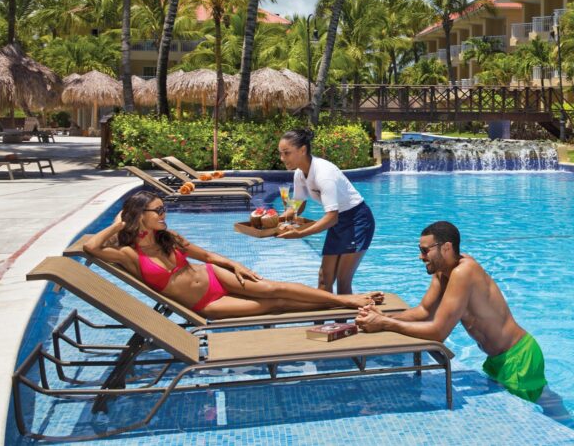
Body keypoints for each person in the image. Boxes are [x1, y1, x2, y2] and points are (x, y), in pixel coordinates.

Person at [83, 190, 383, 319]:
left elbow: (208, 257)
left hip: (214, 276)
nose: (164, 214)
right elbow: (91, 248)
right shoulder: (128, 254)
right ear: (140, 215)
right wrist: (121, 223)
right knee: (273, 305)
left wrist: (234, 263)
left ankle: (345, 301)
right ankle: (338, 305)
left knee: (272, 287)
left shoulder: (168, 238)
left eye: (165, 208)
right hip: (208, 302)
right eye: (158, 210)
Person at [355, 221, 547, 402]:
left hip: (518, 357)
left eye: (424, 250)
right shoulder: (442, 271)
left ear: (446, 247)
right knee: (539, 402)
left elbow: (439, 332)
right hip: (499, 359)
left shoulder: (463, 272)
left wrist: (385, 324)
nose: (420, 257)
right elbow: (424, 312)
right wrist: (382, 317)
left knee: (540, 410)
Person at [276, 128, 376, 295]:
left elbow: (331, 218)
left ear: (302, 150)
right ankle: (324, 322)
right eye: (281, 153)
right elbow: (298, 205)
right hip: (339, 221)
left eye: (286, 153)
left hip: (357, 220)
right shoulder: (299, 174)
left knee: (343, 282)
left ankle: (343, 322)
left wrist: (300, 234)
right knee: (324, 278)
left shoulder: (324, 174)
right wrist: (279, 218)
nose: (282, 158)